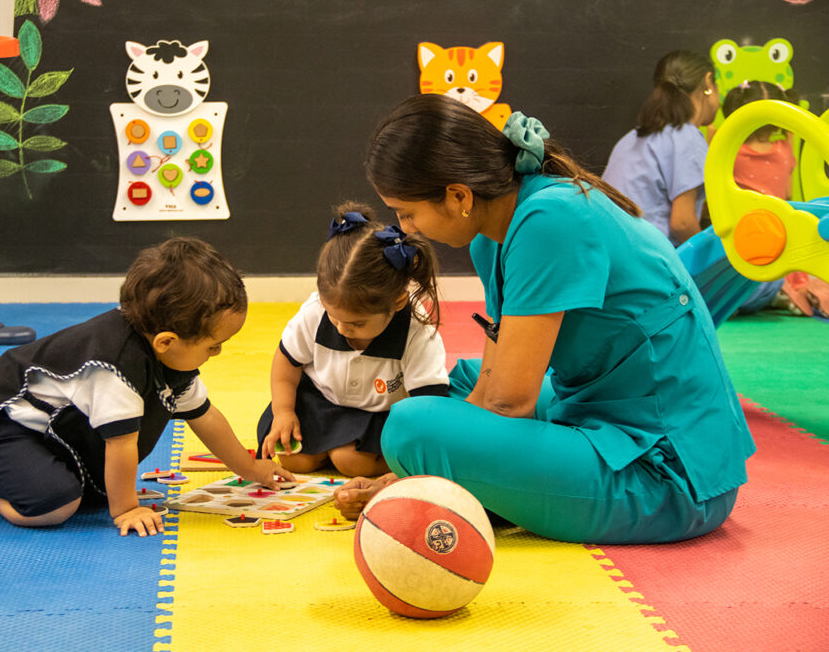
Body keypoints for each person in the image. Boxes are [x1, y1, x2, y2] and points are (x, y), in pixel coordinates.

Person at [337, 93, 755, 545]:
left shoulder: (547, 220)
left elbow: (508, 402)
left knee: (410, 427)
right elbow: (489, 386)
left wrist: (414, 476)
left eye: (408, 212)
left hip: (666, 478)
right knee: (458, 382)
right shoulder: (494, 236)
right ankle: (483, 480)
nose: (407, 228)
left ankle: (476, 482)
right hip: (603, 413)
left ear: (458, 196)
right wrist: (432, 464)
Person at [0, 237, 293, 537]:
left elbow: (206, 417)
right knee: (54, 507)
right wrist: (126, 509)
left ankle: (5, 476)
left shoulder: (170, 357)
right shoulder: (113, 365)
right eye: (213, 346)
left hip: (49, 436)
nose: (220, 352)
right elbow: (121, 444)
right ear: (165, 341)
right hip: (0, 432)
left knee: (85, 492)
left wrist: (251, 469)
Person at [256, 201, 449, 478]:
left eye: (357, 324)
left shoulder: (417, 331)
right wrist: (284, 411)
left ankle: (352, 452)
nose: (343, 329)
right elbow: (287, 362)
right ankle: (327, 445)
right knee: (294, 459)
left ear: (397, 302)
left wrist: (408, 465)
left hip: (382, 413)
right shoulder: (316, 312)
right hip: (321, 400)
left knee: (351, 462)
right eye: (335, 318)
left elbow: (428, 405)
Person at [602, 50, 720, 246]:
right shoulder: (687, 136)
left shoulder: (633, 137)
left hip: (613, 250)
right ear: (708, 83)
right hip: (648, 255)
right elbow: (682, 223)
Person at [720, 80, 797, 313]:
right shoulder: (785, 148)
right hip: (781, 233)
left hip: (745, 236)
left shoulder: (730, 149)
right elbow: (789, 193)